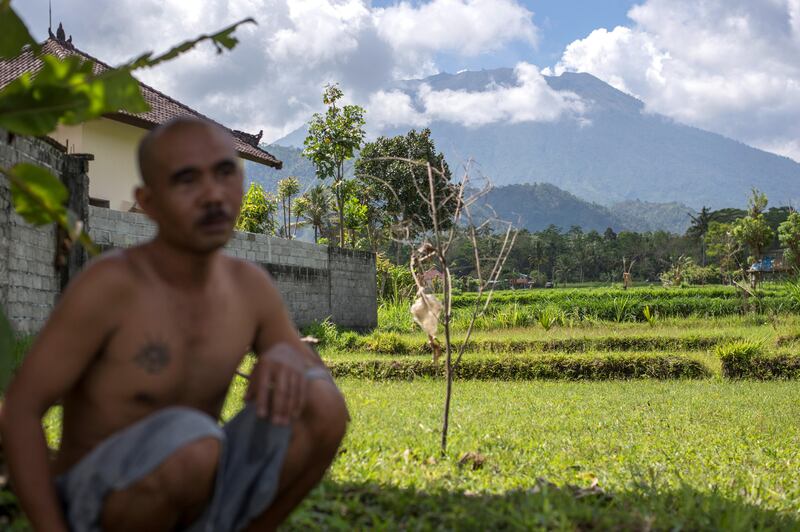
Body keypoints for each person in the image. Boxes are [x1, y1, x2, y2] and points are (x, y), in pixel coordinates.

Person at [0, 116, 349, 531]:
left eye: (224, 174)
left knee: (322, 404)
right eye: (187, 180)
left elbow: (298, 356)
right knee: (194, 442)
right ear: (148, 202)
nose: (213, 196)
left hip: (196, 482)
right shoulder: (112, 285)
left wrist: (288, 356)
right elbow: (20, 410)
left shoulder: (249, 286)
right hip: (99, 506)